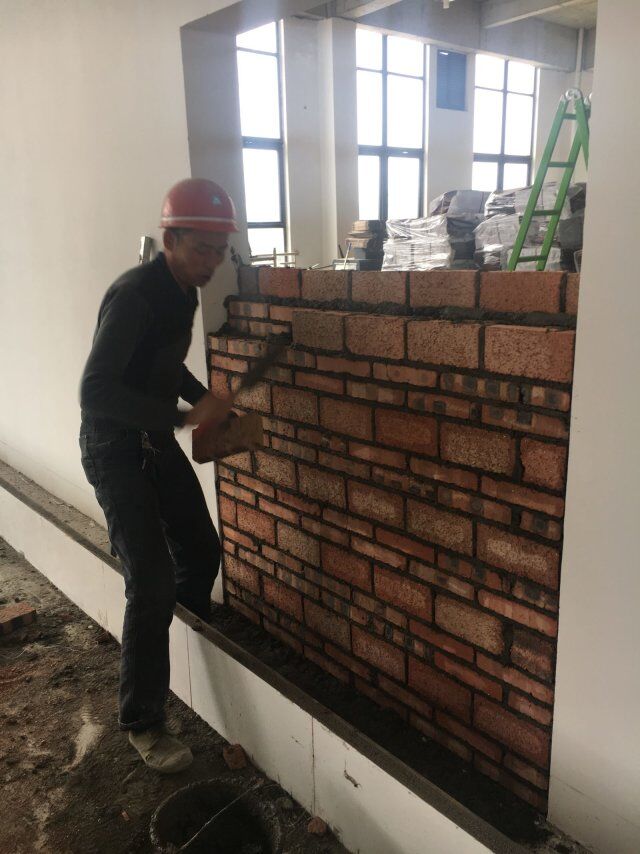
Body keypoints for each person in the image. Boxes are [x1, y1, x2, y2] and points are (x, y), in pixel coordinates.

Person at [79, 178, 236, 773]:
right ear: (170, 240)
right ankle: (143, 720)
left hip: (152, 440)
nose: (211, 263)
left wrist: (206, 400)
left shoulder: (183, 291)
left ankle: (181, 634)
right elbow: (95, 391)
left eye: (220, 251)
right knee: (148, 582)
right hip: (114, 448)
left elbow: (164, 367)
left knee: (201, 549)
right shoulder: (135, 296)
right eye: (201, 249)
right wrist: (179, 417)